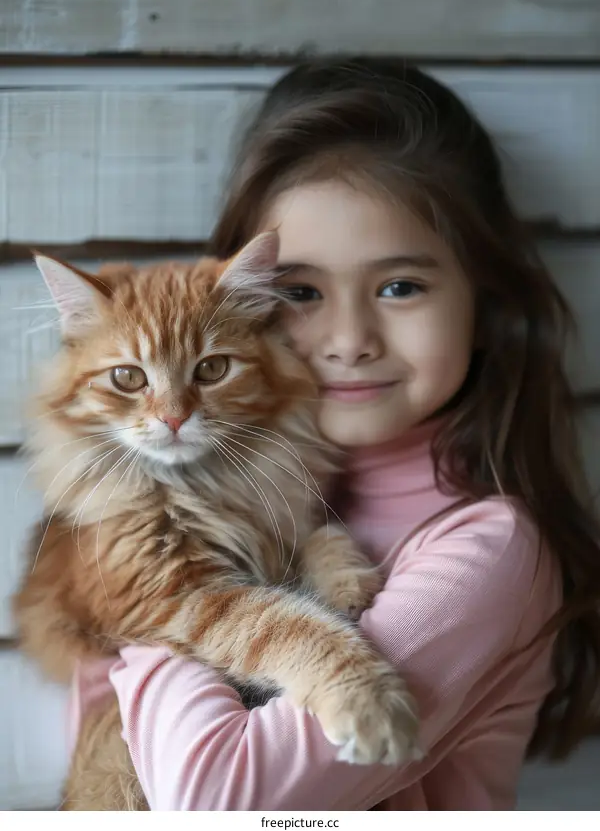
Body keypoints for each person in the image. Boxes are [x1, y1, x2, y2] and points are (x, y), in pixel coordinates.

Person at [72, 58, 600, 810]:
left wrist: (151, 594)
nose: (349, 340)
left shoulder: (490, 551)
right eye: (300, 292)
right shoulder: (243, 485)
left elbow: (216, 801)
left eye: (400, 286)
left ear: (484, 305)